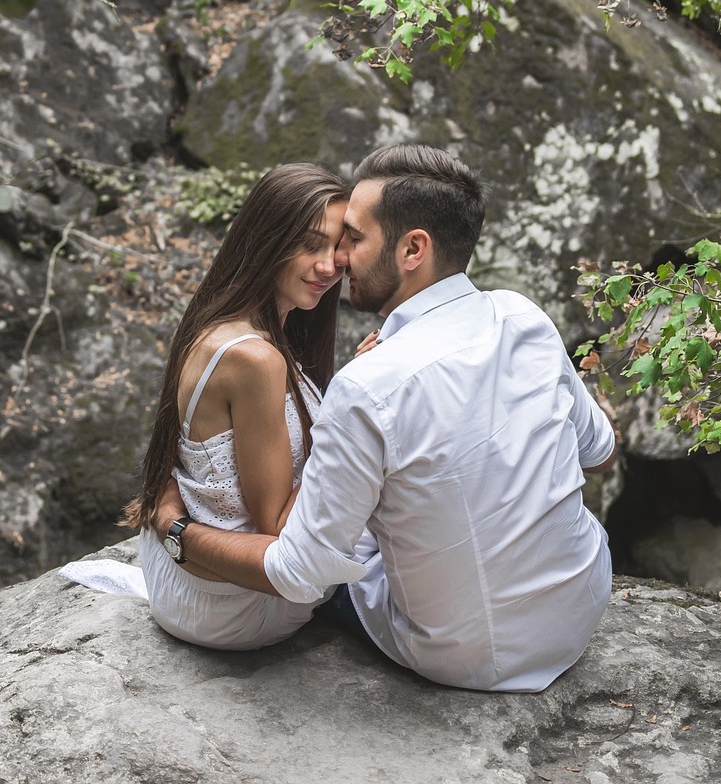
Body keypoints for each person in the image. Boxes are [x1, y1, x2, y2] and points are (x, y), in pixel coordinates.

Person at [153, 143, 618, 692]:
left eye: (353, 236)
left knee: (345, 555)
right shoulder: (523, 316)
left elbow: (299, 572)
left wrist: (175, 529)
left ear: (412, 249)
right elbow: (601, 450)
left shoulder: (369, 386)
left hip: (465, 653)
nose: (340, 257)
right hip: (583, 603)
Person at [121, 162, 348, 650]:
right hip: (238, 604)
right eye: (310, 244)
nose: (329, 266)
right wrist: (348, 411)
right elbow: (278, 534)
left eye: (338, 247)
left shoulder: (216, 321)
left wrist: (171, 524)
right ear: (268, 240)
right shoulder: (255, 358)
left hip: (179, 576)